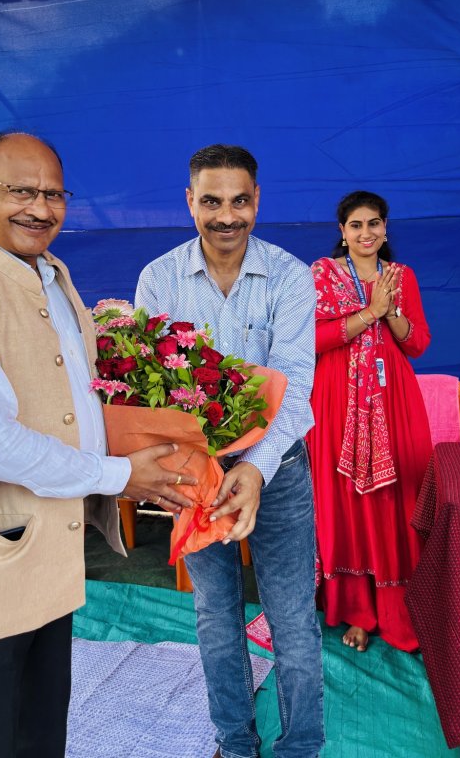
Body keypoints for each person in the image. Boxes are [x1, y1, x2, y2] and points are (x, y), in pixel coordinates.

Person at [0, 131, 198, 758]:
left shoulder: (52, 274)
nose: (40, 207)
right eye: (21, 191)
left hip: (47, 566)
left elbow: (75, 396)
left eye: (53, 194)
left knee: (39, 740)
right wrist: (120, 476)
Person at [135, 144, 324, 758]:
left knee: (293, 621)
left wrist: (254, 469)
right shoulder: (158, 280)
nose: (226, 216)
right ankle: (235, 745)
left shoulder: (292, 277)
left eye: (239, 201)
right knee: (217, 620)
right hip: (197, 482)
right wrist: (186, 468)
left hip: (279, 473)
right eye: (210, 201)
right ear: (189, 202)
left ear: (257, 201)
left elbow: (296, 390)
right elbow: (144, 393)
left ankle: (300, 748)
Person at [306, 190, 432, 653]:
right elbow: (311, 340)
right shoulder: (321, 275)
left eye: (374, 224)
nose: (366, 233)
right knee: (345, 504)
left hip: (393, 399)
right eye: (356, 225)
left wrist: (391, 311)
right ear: (342, 231)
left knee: (394, 501)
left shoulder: (401, 276)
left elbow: (416, 344)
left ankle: (395, 611)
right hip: (337, 400)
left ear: (385, 228)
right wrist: (369, 314)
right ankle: (356, 612)